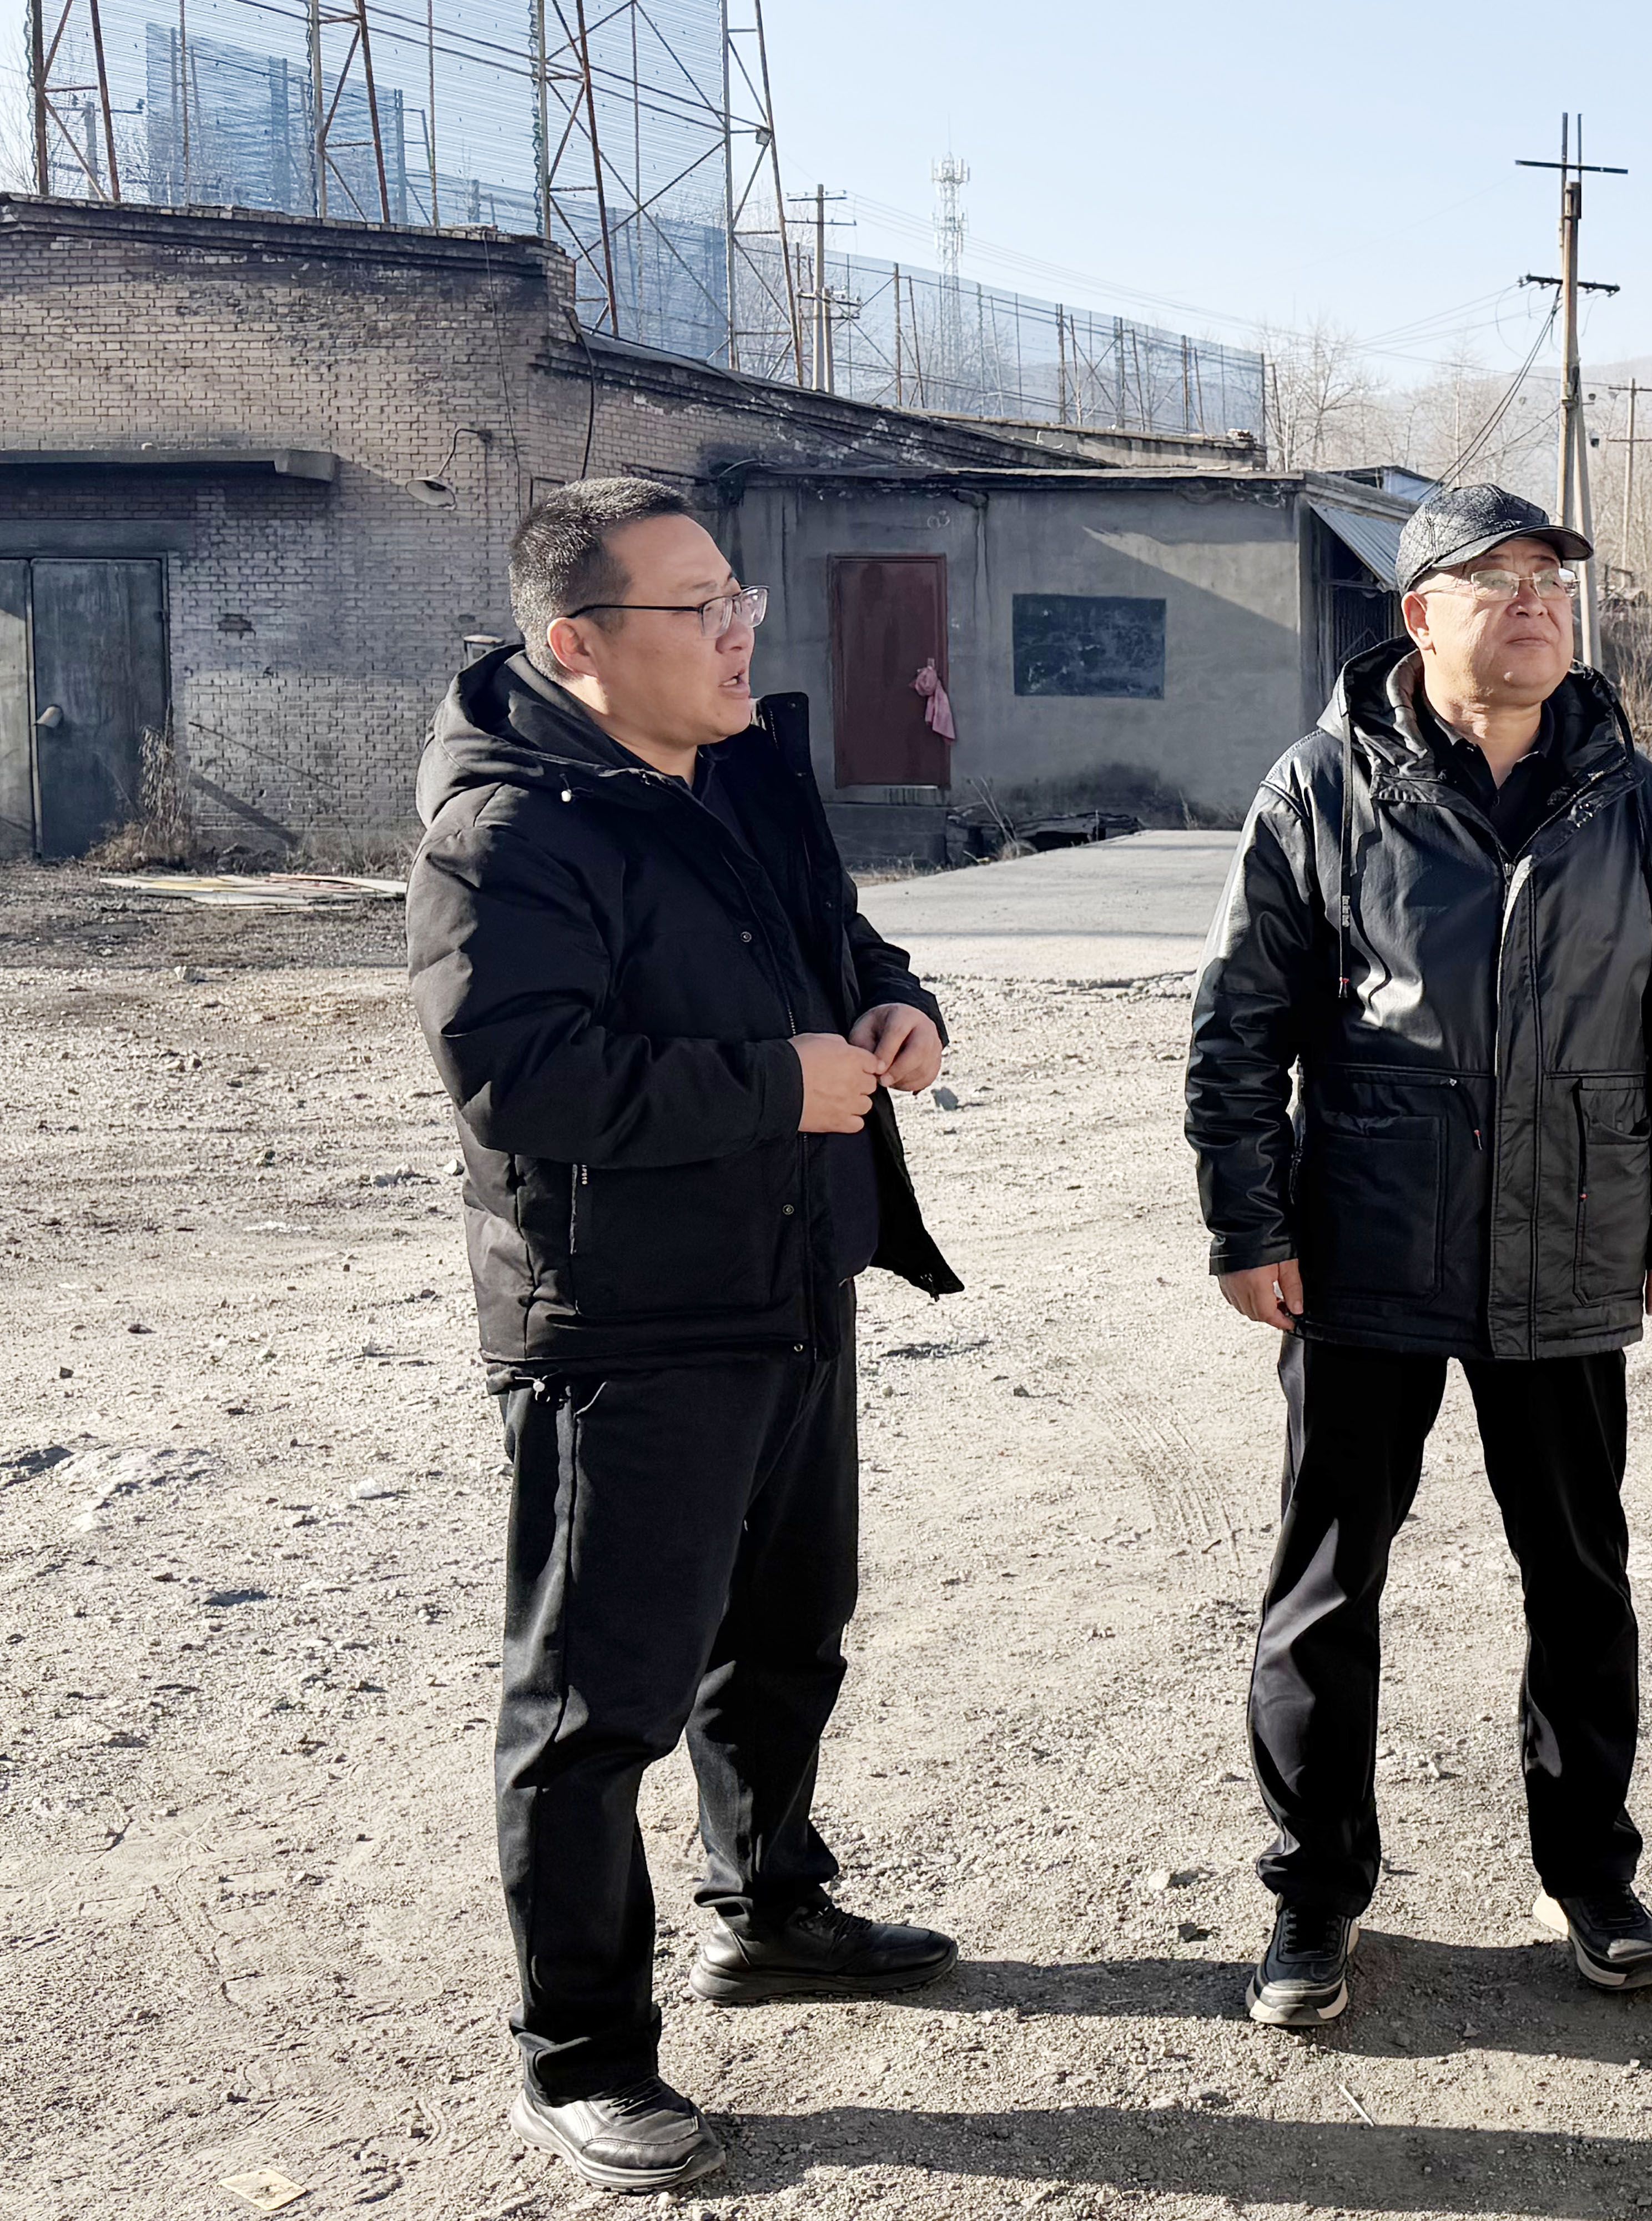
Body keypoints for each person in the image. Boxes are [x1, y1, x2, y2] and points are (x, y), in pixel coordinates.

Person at [409, 478, 965, 2195]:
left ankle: (770, 1907)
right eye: (700, 608)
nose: (741, 632)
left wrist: (892, 1001)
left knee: (787, 1632)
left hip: (788, 1283)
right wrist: (774, 1087)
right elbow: (520, 1080)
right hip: (629, 1323)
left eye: (740, 599)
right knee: (597, 1704)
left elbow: (837, 937)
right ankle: (579, 2054)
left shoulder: (740, 770)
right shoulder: (508, 833)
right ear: (580, 645)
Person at [1186, 484, 1652, 2027]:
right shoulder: (1321, 789)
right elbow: (1240, 1028)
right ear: (1419, 613)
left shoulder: (1633, 800)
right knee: (1326, 1585)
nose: (1535, 601)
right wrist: (1248, 1221)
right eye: (1497, 580)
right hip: (1367, 1245)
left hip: (1567, 1240)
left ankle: (1593, 1874)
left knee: (1580, 1578)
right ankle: (1314, 1890)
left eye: (1550, 576)